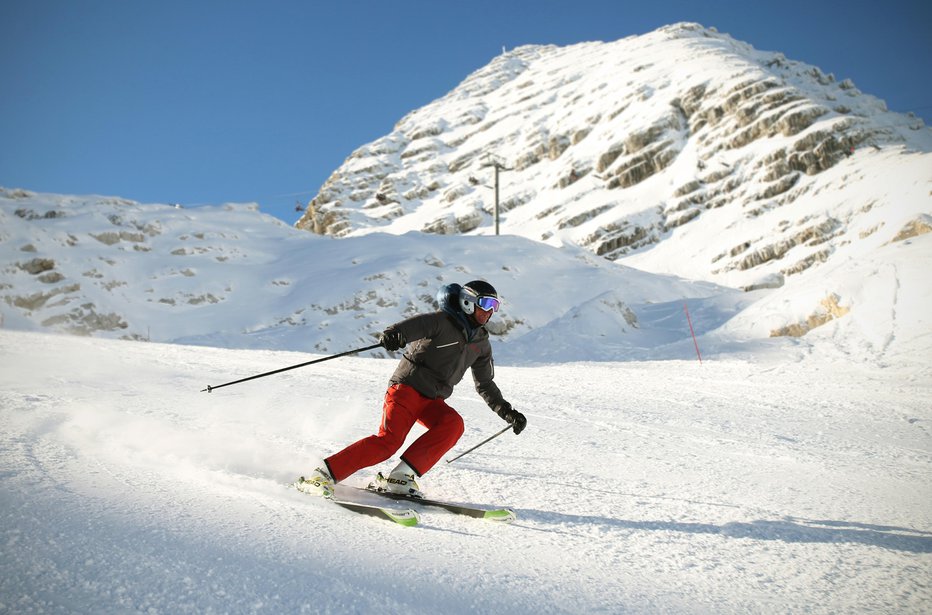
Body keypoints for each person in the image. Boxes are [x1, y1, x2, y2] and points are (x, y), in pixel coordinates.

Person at [298, 280, 526, 499]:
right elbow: (406, 328)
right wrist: (394, 335)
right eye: (486, 304)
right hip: (406, 389)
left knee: (453, 424)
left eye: (495, 306)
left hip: (432, 399)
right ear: (468, 302)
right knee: (388, 442)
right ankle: (323, 474)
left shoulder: (481, 343)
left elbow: (485, 384)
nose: (490, 311)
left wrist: (507, 412)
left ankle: (401, 477)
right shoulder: (441, 321)